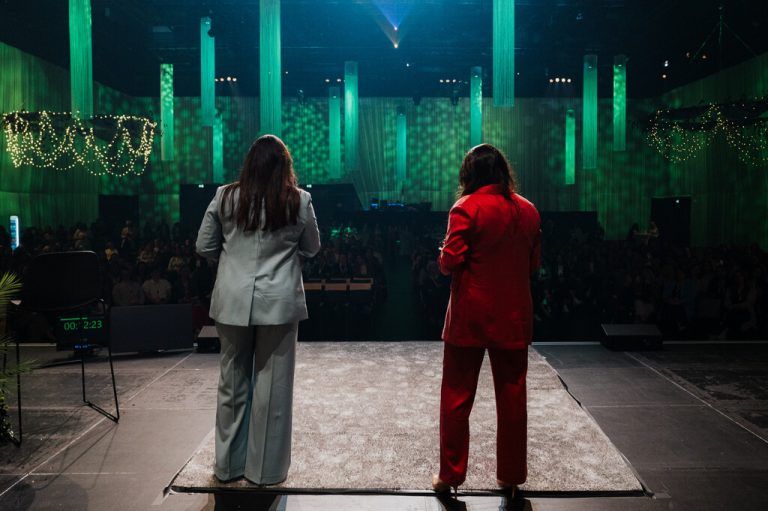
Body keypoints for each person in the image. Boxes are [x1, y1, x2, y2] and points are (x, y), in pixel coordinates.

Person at [196, 135, 320, 485]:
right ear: (284, 165)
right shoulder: (299, 200)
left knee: (231, 384)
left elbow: (203, 245)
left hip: (231, 299)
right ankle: (264, 472)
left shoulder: (225, 196)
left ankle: (227, 467)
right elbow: (312, 248)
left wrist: (232, 256)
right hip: (278, 303)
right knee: (273, 387)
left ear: (249, 162)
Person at [433, 144, 541, 497]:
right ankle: (510, 477)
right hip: (513, 317)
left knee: (456, 398)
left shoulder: (465, 208)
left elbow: (449, 262)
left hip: (471, 318)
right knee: (513, 399)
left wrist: (442, 253)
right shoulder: (528, 210)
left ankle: (450, 477)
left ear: (469, 174)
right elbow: (532, 266)